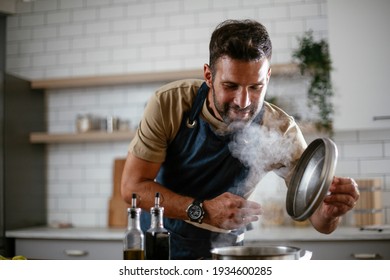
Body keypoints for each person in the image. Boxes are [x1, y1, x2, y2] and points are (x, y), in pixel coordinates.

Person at [121, 19, 359, 259]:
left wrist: (330, 212)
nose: (243, 102)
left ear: (268, 76)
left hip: (227, 255)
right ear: (208, 75)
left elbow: (320, 222)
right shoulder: (169, 103)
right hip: (159, 246)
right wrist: (202, 210)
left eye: (255, 87)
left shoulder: (281, 129)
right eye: (230, 86)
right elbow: (132, 187)